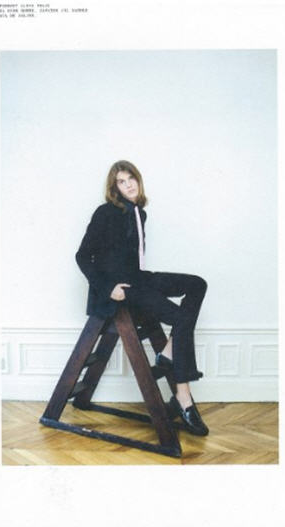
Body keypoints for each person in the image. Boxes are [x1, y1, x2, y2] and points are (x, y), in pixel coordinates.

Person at [76, 160, 209, 436]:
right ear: (114, 188)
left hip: (138, 278)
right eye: (121, 182)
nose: (128, 185)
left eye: (131, 178)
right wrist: (109, 287)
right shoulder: (105, 212)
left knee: (197, 284)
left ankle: (169, 352)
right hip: (121, 289)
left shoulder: (140, 213)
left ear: (138, 180)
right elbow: (82, 256)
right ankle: (183, 397)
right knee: (181, 318)